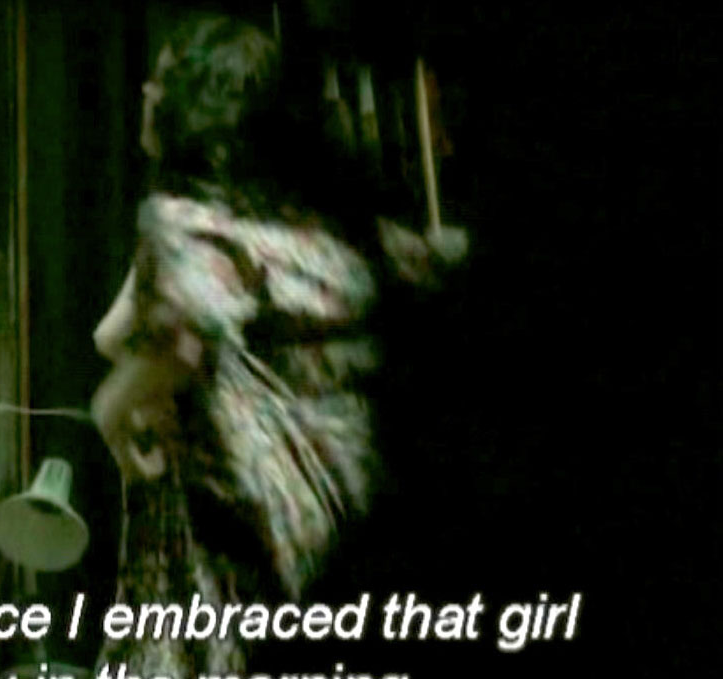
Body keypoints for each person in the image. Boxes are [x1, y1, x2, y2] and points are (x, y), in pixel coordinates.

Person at [91, 15, 466, 677]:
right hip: (335, 526)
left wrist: (113, 411)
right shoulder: (307, 229)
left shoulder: (189, 229)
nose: (147, 93)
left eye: (164, 81)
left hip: (239, 537)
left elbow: (177, 331)